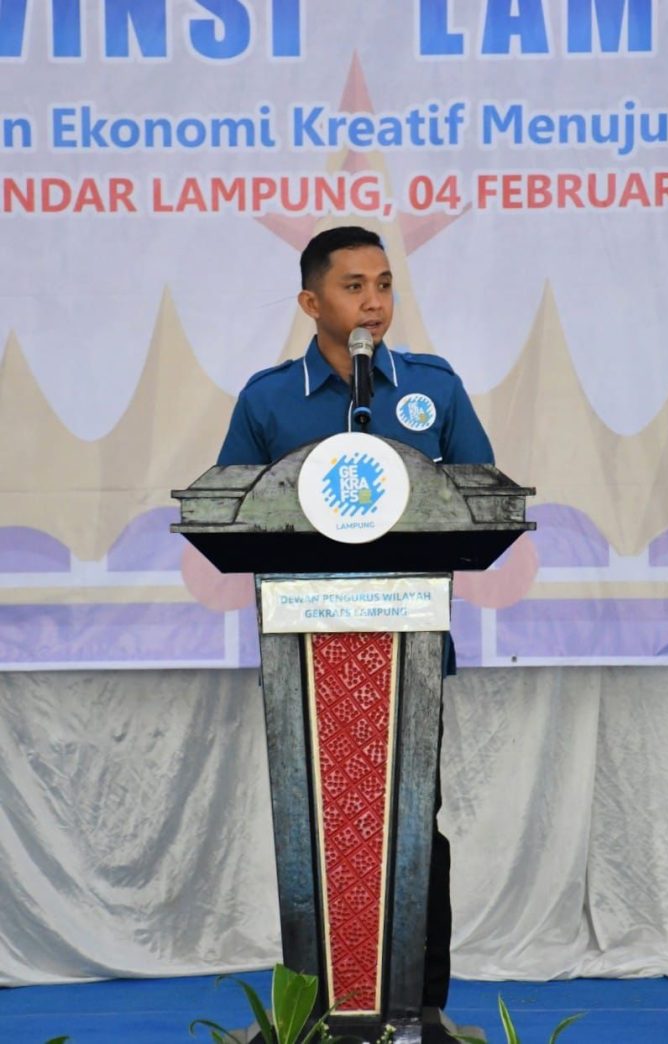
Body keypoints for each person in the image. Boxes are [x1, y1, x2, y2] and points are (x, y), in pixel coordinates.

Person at [217, 226, 494, 1010]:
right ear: (311, 303)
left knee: (412, 825)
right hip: (305, 654)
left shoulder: (433, 387)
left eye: (384, 283)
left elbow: (482, 498)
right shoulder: (268, 399)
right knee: (317, 823)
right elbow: (227, 511)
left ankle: (415, 1007)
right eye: (353, 286)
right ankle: (318, 1005)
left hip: (409, 652)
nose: (374, 301)